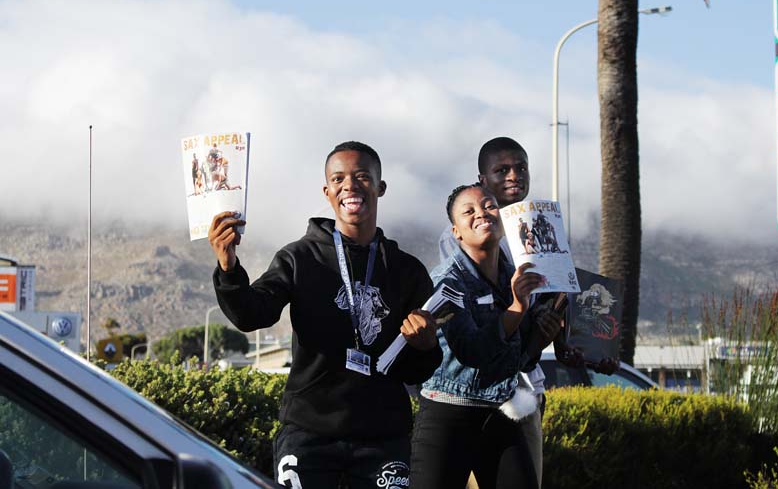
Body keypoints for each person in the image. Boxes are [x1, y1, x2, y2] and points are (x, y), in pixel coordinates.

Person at [208, 141, 442, 489]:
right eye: (339, 178)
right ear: (327, 191)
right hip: (309, 433)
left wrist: (423, 346)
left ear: (381, 187)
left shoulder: (407, 271)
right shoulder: (300, 258)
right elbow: (251, 315)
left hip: (384, 436)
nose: (350, 185)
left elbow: (418, 367)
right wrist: (228, 267)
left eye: (362, 176)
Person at [410, 184, 563, 489]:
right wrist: (518, 307)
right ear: (457, 232)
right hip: (449, 413)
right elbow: (472, 352)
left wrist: (541, 335)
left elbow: (513, 358)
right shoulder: (445, 281)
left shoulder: (516, 276)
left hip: (501, 411)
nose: (482, 213)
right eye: (469, 211)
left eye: (490, 206)